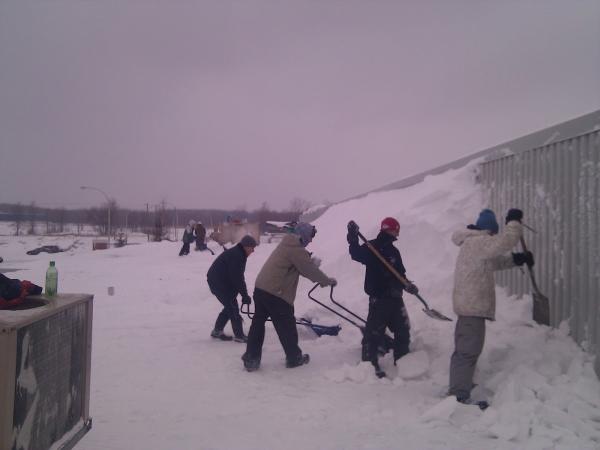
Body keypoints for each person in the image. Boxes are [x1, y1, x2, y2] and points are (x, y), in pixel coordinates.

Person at [448, 208, 533, 408]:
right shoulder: (478, 242)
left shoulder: (473, 244)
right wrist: (513, 223)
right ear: (489, 230)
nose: (494, 236)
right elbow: (504, 242)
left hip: (469, 307)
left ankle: (461, 385)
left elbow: (495, 262)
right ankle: (459, 395)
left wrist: (517, 259)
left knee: (466, 350)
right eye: (494, 233)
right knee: (467, 351)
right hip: (472, 308)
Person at [242, 222, 337, 372]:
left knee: (258, 325)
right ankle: (294, 358)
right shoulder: (295, 248)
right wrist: (327, 281)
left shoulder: (288, 244)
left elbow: (298, 264)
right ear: (303, 235)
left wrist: (308, 262)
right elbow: (308, 270)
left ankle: (251, 359)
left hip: (261, 289)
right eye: (310, 237)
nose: (311, 240)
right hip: (276, 292)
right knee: (287, 326)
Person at [347, 217, 419, 378]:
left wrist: (408, 285)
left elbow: (400, 274)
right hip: (379, 299)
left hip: (395, 298)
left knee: (403, 329)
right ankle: (369, 365)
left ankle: (402, 361)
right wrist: (352, 236)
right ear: (389, 229)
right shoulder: (372, 247)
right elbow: (355, 253)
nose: (397, 233)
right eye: (396, 229)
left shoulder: (394, 252)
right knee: (373, 333)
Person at [207, 235, 258, 342]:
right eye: (252, 248)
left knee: (229, 306)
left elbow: (235, 277)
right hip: (218, 283)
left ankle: (217, 331)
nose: (253, 251)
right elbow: (237, 278)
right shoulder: (237, 256)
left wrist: (242, 294)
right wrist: (244, 295)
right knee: (232, 307)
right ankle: (239, 335)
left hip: (222, 281)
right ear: (246, 246)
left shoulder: (239, 253)